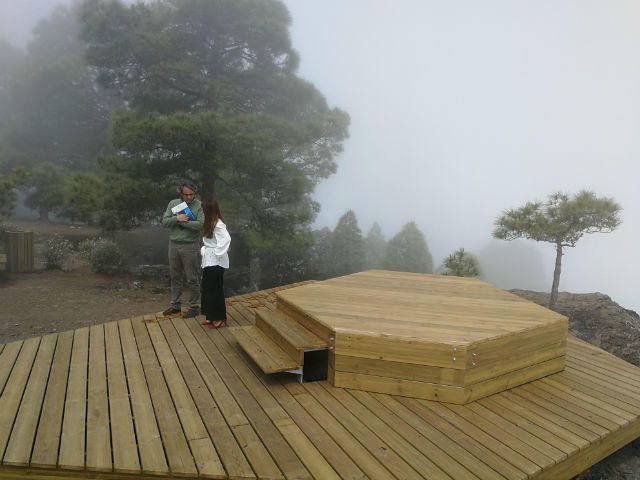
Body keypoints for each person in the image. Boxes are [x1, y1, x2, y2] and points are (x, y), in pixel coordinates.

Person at [161, 180, 204, 318]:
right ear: (181, 193)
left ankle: (194, 306)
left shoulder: (199, 205)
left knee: (193, 277)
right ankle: (175, 305)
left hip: (191, 245)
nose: (189, 197)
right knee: (175, 276)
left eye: (191, 194)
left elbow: (200, 225)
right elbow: (165, 222)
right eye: (186, 194)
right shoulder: (173, 204)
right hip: (173, 244)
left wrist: (182, 222)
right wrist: (177, 219)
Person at [200, 199, 231, 329]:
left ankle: (220, 318)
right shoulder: (209, 223)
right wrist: (206, 250)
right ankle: (210, 316)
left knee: (215, 290)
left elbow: (227, 239)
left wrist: (217, 253)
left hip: (216, 262)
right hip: (209, 260)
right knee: (207, 288)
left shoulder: (218, 224)